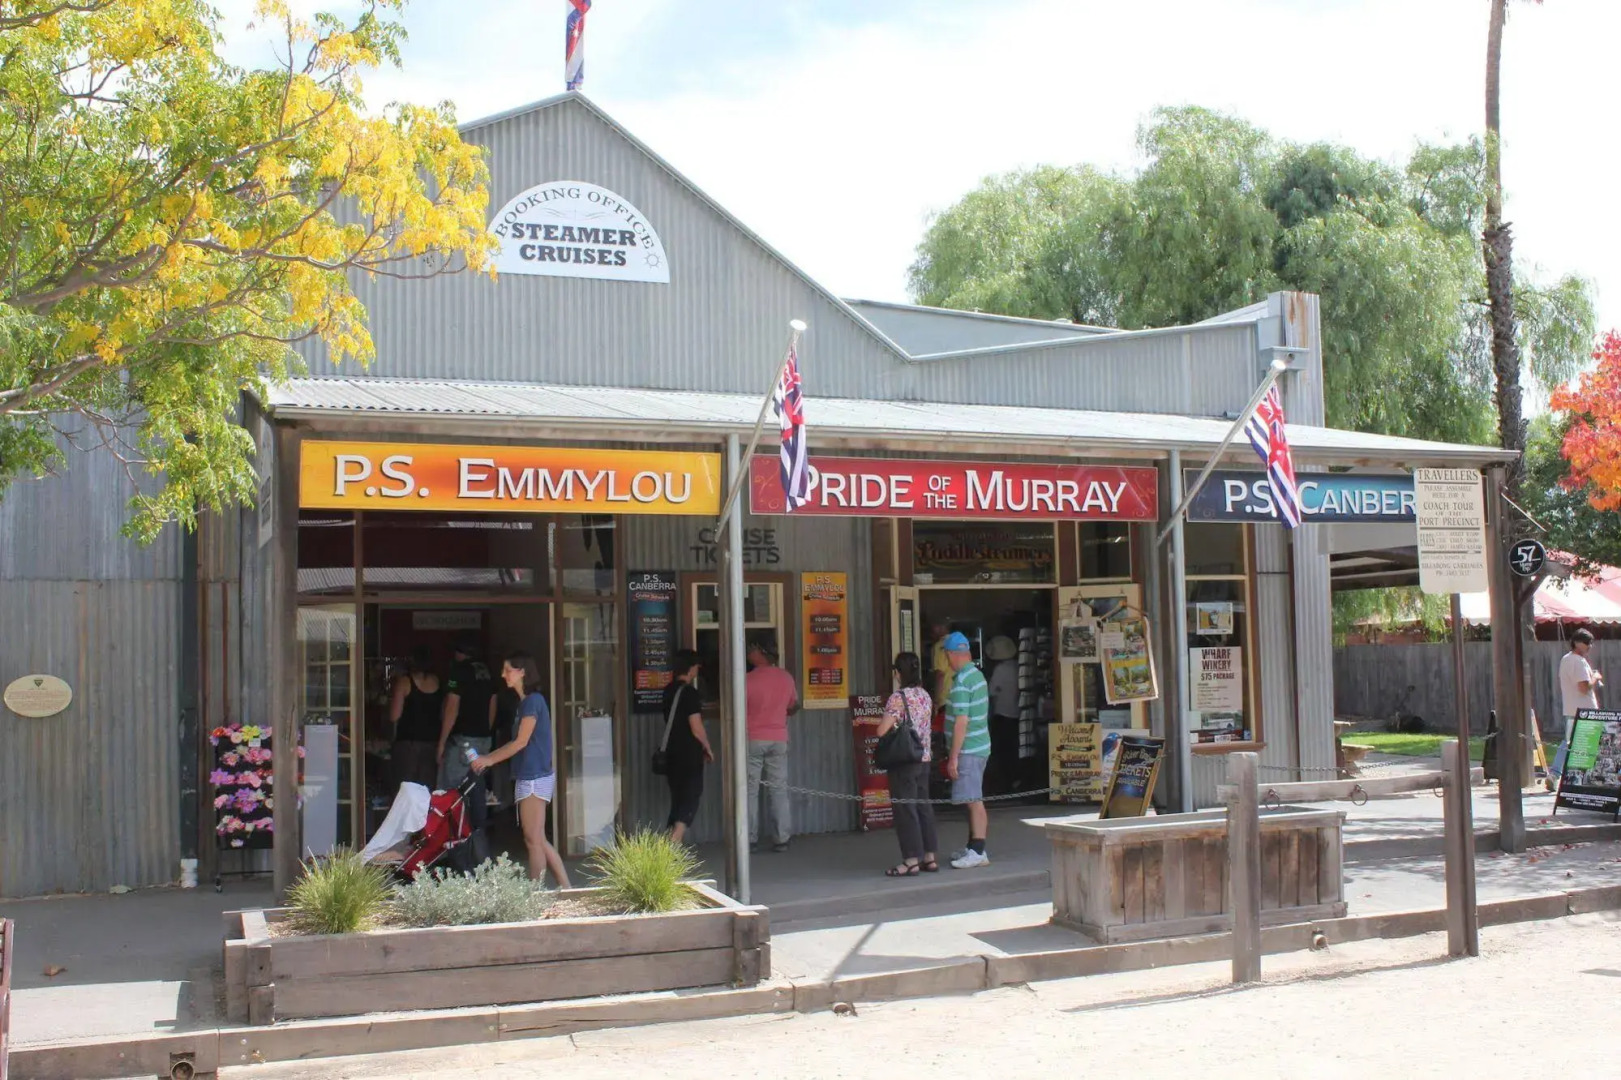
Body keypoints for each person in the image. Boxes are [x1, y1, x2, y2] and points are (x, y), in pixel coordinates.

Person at [470, 653, 570, 887]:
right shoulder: (526, 702)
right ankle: (564, 887)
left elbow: (520, 742)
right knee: (537, 838)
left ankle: (536, 892)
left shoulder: (532, 701)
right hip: (532, 774)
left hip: (534, 776)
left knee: (533, 839)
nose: (503, 674)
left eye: (508, 670)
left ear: (522, 672)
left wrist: (489, 759)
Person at [876, 651, 939, 877]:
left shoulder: (898, 698)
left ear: (897, 673)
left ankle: (911, 860)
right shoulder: (925, 695)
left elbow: (881, 730)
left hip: (904, 761)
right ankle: (930, 858)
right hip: (924, 759)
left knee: (906, 809)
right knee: (923, 807)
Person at [942, 631, 992, 869]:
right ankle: (972, 846)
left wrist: (953, 757)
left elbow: (961, 722)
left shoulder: (962, 682)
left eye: (946, 655)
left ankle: (978, 851)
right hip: (980, 745)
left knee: (973, 800)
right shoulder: (977, 676)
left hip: (969, 750)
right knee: (971, 797)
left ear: (952, 654)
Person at [745, 639, 798, 853]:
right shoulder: (786, 677)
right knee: (778, 789)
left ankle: (749, 839)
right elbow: (794, 705)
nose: (748, 652)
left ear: (761, 653)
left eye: (752, 649)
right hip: (779, 738)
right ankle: (782, 838)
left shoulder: (747, 679)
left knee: (749, 791)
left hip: (753, 738)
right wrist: (780, 714)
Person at [661, 649, 713, 844]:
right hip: (689, 752)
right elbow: (696, 727)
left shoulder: (668, 690)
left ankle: (670, 843)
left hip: (671, 751)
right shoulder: (690, 693)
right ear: (691, 669)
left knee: (677, 797)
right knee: (691, 796)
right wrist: (707, 747)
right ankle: (674, 841)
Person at [437, 637, 497, 791]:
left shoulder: (458, 671)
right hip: (483, 739)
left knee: (452, 791)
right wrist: (485, 730)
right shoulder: (488, 671)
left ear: (459, 653)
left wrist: (442, 742)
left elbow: (452, 708)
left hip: (462, 740)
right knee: (475, 787)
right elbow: (492, 704)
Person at [1552, 627, 1604, 786]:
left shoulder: (1566, 659)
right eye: (1587, 642)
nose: (1590, 646)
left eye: (1591, 643)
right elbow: (1583, 687)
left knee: (1568, 742)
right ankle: (1590, 777)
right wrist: (1595, 677)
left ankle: (1555, 774)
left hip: (1571, 708)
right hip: (1585, 711)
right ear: (1576, 642)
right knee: (1593, 743)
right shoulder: (1578, 661)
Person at [388, 646, 442, 792]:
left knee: (405, 790)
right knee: (426, 789)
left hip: (408, 743)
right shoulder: (437, 681)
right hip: (431, 742)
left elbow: (394, 715)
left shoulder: (404, 682)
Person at [985, 635, 1020, 793]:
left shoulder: (1000, 670)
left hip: (1002, 715)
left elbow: (991, 692)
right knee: (1014, 749)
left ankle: (1005, 782)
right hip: (1017, 714)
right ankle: (1015, 779)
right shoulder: (1018, 667)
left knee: (1002, 751)